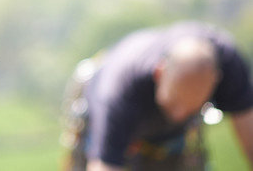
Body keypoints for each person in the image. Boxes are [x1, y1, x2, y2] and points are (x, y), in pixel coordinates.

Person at [61, 22, 253, 171]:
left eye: (192, 108)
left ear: (216, 80)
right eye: (174, 103)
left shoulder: (229, 64)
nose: (179, 115)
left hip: (170, 143)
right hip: (111, 115)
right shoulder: (117, 90)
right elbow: (104, 165)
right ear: (159, 73)